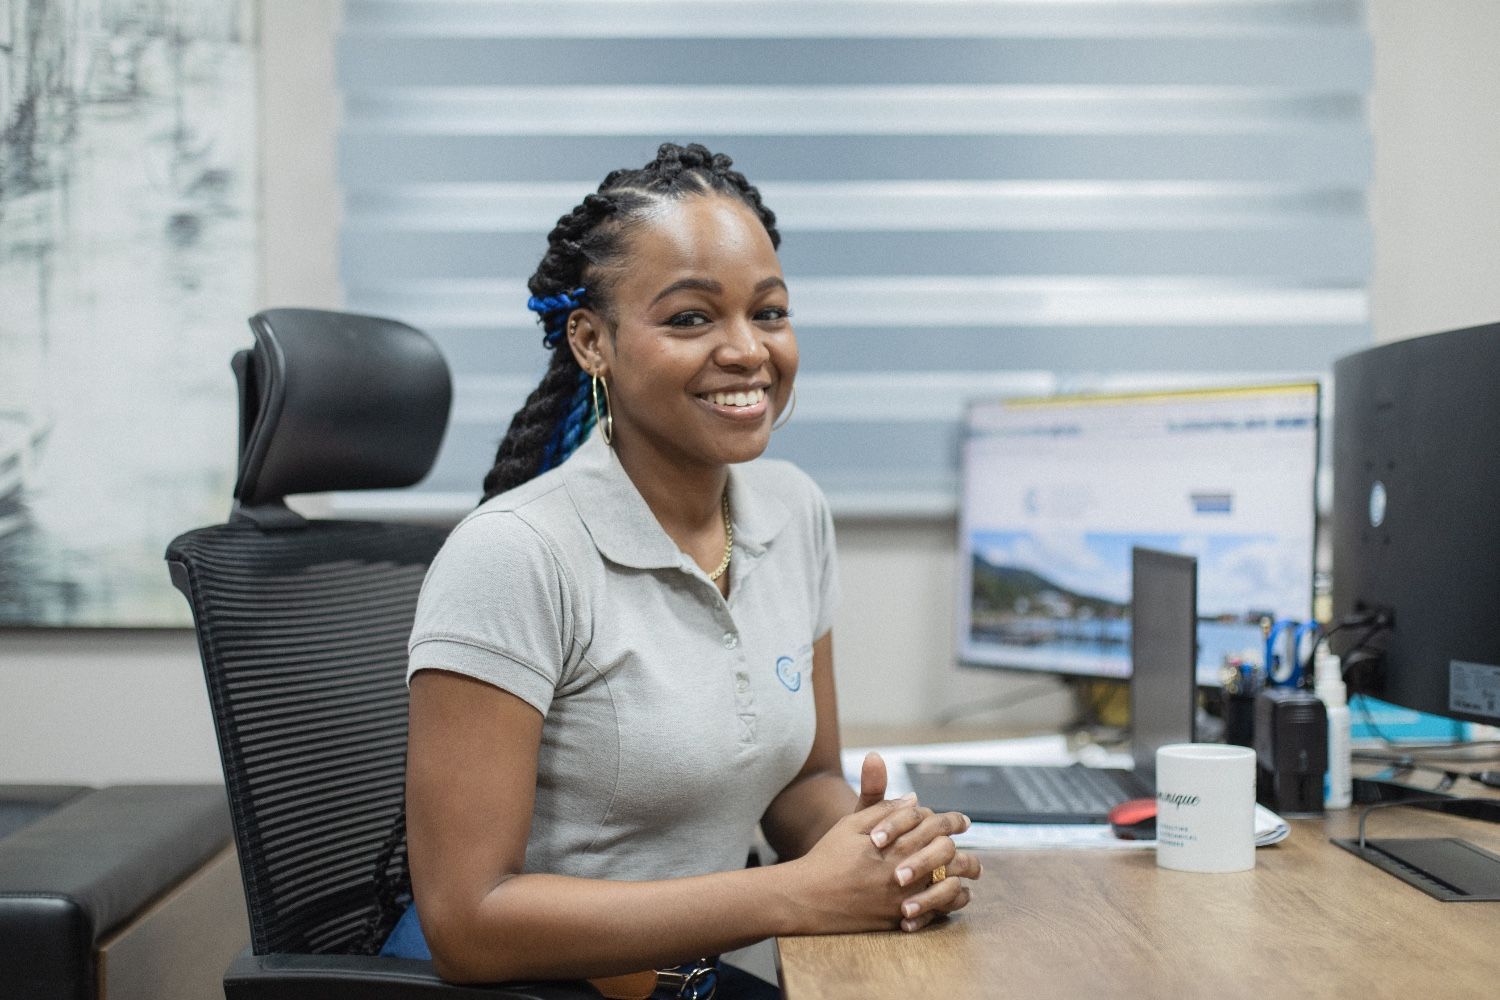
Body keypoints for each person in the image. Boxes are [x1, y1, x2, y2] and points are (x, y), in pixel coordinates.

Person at [385, 143, 980, 997]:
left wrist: (877, 848)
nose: (747, 352)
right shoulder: (513, 553)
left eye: (769, 313)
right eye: (691, 319)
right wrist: (793, 895)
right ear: (592, 340)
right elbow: (467, 922)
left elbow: (801, 783)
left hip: (690, 980)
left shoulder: (792, 510)